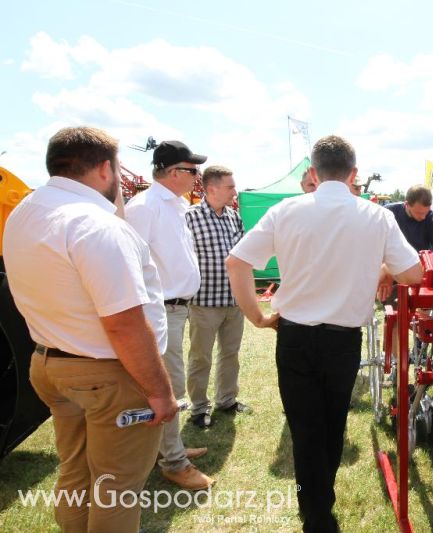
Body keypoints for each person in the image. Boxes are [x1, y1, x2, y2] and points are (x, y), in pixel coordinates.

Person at [226, 135, 423, 532]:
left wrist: (257, 318)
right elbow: (414, 273)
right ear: (354, 174)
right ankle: (319, 505)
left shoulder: (286, 211)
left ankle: (314, 509)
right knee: (332, 422)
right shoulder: (377, 215)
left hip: (295, 335)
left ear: (313, 173)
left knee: (304, 427)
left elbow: (237, 262)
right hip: (342, 340)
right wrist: (384, 269)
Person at [2, 126, 179, 532]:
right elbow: (123, 323)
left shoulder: (24, 214)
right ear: (104, 168)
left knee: (77, 476)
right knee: (116, 490)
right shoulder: (96, 225)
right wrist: (160, 391)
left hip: (51, 363)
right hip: (107, 374)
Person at [125, 140, 213, 490]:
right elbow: (131, 264)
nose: (198, 177)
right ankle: (172, 462)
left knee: (172, 383)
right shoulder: (145, 207)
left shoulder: (171, 205)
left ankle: (171, 449)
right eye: (193, 171)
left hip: (176, 307)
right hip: (159, 310)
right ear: (174, 172)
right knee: (169, 385)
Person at [185, 165, 249, 429]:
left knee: (230, 354)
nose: (235, 191)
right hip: (203, 302)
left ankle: (227, 399)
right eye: (230, 186)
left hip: (233, 301)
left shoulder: (234, 217)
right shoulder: (189, 217)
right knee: (201, 356)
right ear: (211, 189)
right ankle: (199, 408)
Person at [385, 185, 433, 255]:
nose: (423, 217)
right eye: (419, 213)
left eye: (426, 212)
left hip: (419, 263)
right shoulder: (388, 213)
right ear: (407, 204)